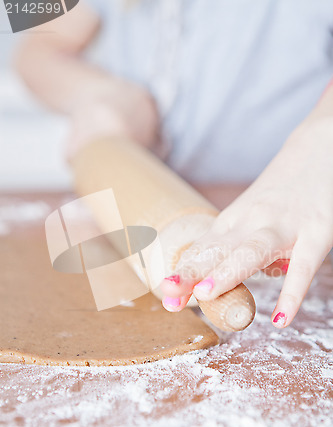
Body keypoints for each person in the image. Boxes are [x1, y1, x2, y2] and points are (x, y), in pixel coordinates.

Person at [15, 0, 333, 328]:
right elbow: (37, 49)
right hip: (131, 232)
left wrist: (323, 136)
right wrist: (100, 93)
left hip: (284, 239)